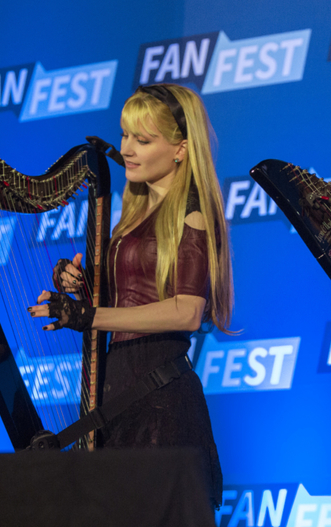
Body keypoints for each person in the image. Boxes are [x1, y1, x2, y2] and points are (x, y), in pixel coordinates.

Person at [28, 83, 233, 511]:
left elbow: (187, 311)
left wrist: (88, 316)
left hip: (159, 405)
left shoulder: (192, 210)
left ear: (180, 148)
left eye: (143, 139)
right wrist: (78, 285)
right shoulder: (133, 214)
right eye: (125, 135)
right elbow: (131, 301)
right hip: (116, 396)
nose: (127, 149)